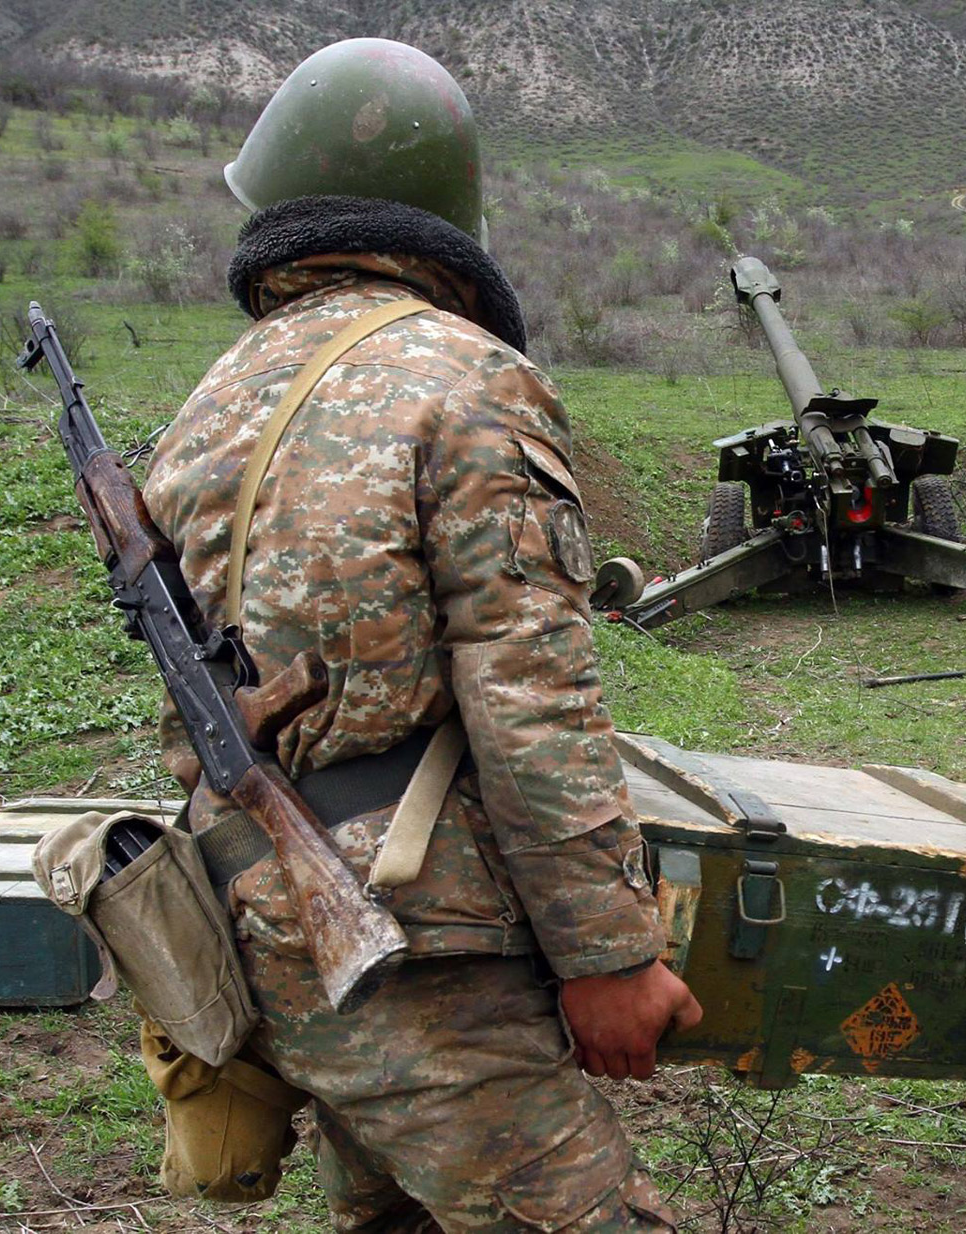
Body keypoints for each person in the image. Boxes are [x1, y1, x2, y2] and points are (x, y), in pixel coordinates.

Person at [142, 38, 700, 1231]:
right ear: (443, 216)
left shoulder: (209, 402)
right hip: (417, 946)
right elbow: (529, 689)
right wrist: (608, 952)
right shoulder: (467, 377)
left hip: (271, 919)